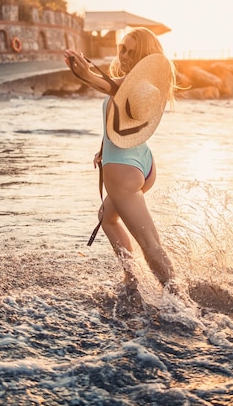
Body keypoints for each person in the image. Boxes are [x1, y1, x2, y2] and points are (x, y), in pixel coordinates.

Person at [64, 27, 177, 294]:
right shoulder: (144, 86)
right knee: (106, 216)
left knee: (150, 245)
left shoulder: (133, 85)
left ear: (144, 55)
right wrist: (103, 148)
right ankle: (132, 280)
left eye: (131, 51)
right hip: (142, 163)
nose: (123, 54)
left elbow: (109, 85)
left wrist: (85, 73)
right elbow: (121, 123)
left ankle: (180, 301)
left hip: (122, 170)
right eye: (122, 48)